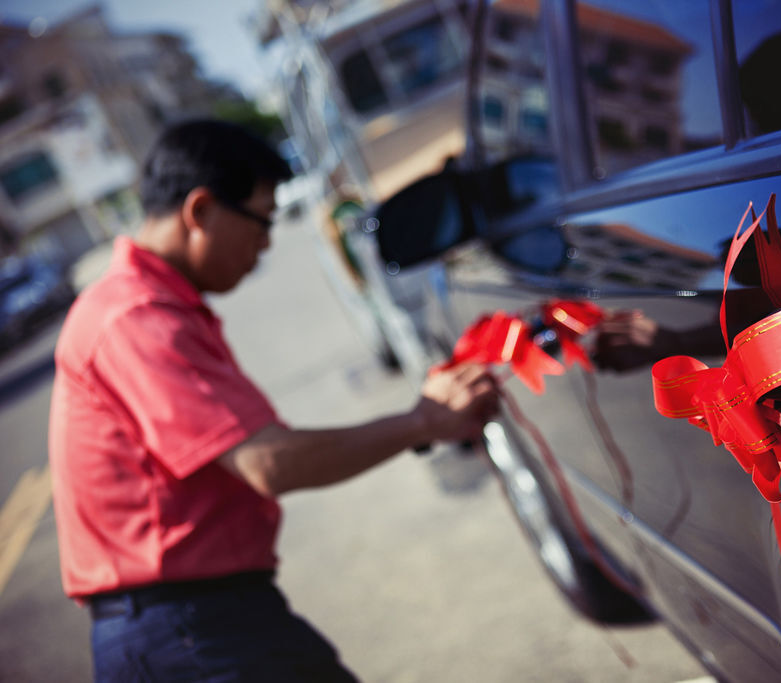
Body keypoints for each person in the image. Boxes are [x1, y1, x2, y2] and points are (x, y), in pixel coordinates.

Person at [47, 119, 498, 682]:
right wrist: (424, 420)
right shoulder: (134, 317)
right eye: (262, 219)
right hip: (186, 633)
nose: (265, 243)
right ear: (201, 211)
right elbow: (269, 461)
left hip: (205, 619)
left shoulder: (149, 304)